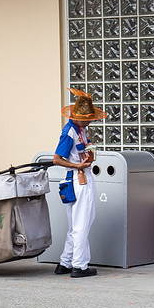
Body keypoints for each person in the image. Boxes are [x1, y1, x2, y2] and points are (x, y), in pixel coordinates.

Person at [52, 88, 105, 278]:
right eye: (88, 118)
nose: (91, 121)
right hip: (79, 178)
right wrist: (77, 165)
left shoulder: (79, 130)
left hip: (73, 179)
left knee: (75, 225)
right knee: (82, 223)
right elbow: (56, 159)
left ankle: (65, 262)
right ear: (78, 117)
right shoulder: (70, 132)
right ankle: (79, 265)